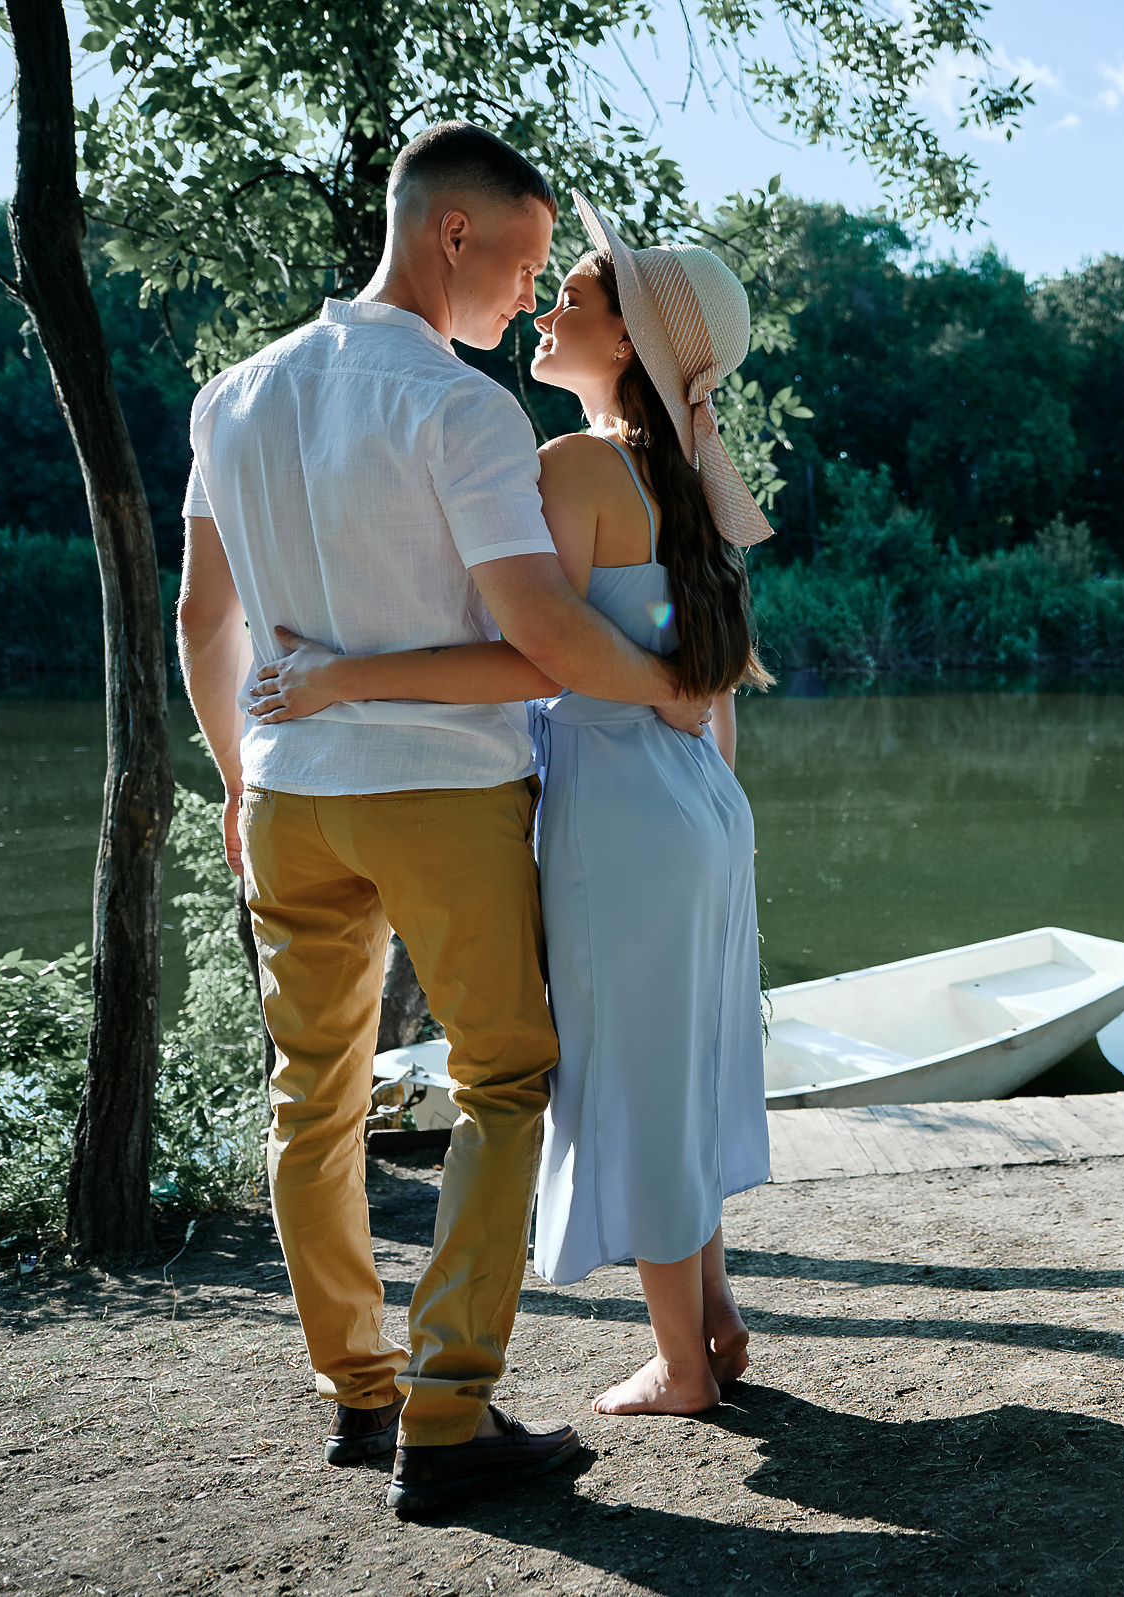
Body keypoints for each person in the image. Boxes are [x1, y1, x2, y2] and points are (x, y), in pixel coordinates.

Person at [175, 124, 709, 1520]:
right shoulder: (461, 409)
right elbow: (541, 639)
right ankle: (447, 1410)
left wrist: (238, 774)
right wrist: (669, 684)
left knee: (315, 1095)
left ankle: (357, 1392)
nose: (529, 295)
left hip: (290, 792)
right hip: (443, 788)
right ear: (454, 236)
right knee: (504, 1079)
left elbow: (202, 618)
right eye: (527, 260)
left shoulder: (230, 396)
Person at [248, 190, 774, 1418]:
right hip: (692, 805)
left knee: (631, 1082)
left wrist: (339, 676)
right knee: (676, 1067)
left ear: (631, 345)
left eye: (579, 295)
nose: (549, 303)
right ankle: (718, 1316)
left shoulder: (573, 467)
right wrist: (701, 799)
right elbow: (701, 689)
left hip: (616, 805)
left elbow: (531, 649)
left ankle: (684, 1368)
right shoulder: (682, 477)